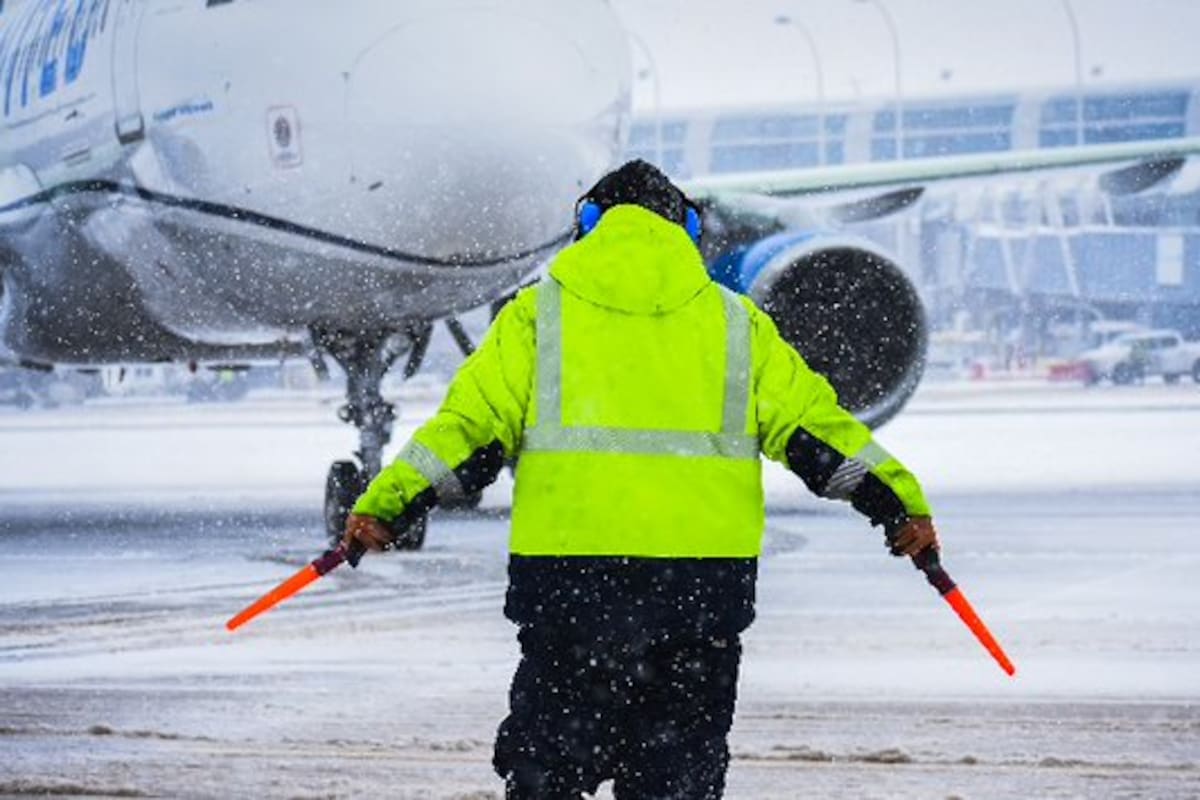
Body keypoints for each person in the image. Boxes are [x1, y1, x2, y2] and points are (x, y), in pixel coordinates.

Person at [343, 160, 938, 799]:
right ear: (683, 228)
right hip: (698, 596)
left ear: (590, 225)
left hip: (572, 591)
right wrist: (899, 507)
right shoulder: (735, 324)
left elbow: (464, 435)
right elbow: (822, 436)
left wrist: (388, 506)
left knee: (549, 775)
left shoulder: (536, 318)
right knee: (674, 779)